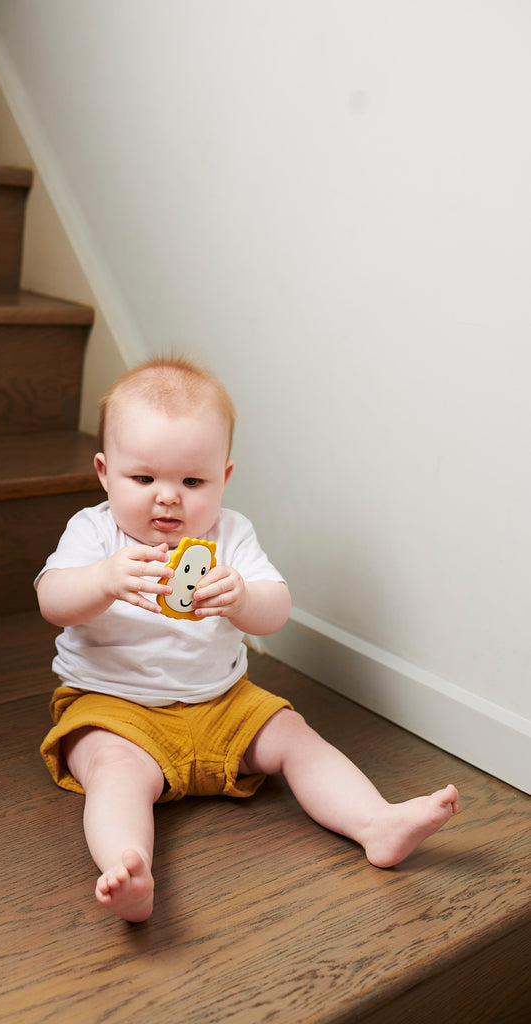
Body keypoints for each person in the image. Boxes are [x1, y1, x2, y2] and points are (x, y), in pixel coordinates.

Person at [36, 356, 459, 922]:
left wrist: (242, 598)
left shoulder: (230, 534)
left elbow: (275, 609)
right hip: (115, 706)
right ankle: (128, 866)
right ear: (104, 472)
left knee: (295, 736)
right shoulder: (93, 532)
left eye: (193, 481)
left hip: (221, 701)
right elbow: (52, 600)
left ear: (224, 477)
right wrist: (102, 580)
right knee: (114, 770)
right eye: (144, 479)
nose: (169, 497)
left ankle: (375, 822)